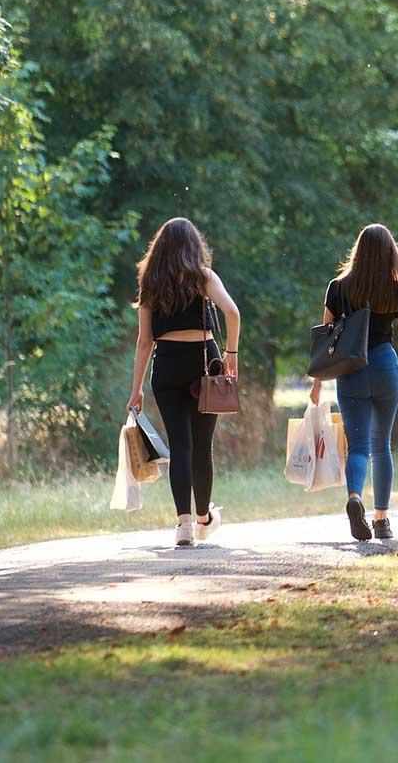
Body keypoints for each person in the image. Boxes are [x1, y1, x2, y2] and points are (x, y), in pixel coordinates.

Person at [127, 217, 241, 547]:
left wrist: (136, 389)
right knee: (201, 447)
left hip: (166, 366)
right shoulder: (203, 277)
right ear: (195, 246)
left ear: (158, 249)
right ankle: (204, 516)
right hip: (203, 364)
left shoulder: (150, 282)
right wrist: (231, 352)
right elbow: (232, 312)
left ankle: (184, 525)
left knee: (180, 446)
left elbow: (144, 341)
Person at [310, 224, 398, 542]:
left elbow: (326, 336)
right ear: (391, 253)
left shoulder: (338, 287)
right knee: (382, 446)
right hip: (385, 365)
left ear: (357, 251)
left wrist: (318, 381)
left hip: (352, 370)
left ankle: (355, 497)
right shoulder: (393, 287)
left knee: (358, 447)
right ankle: (382, 519)